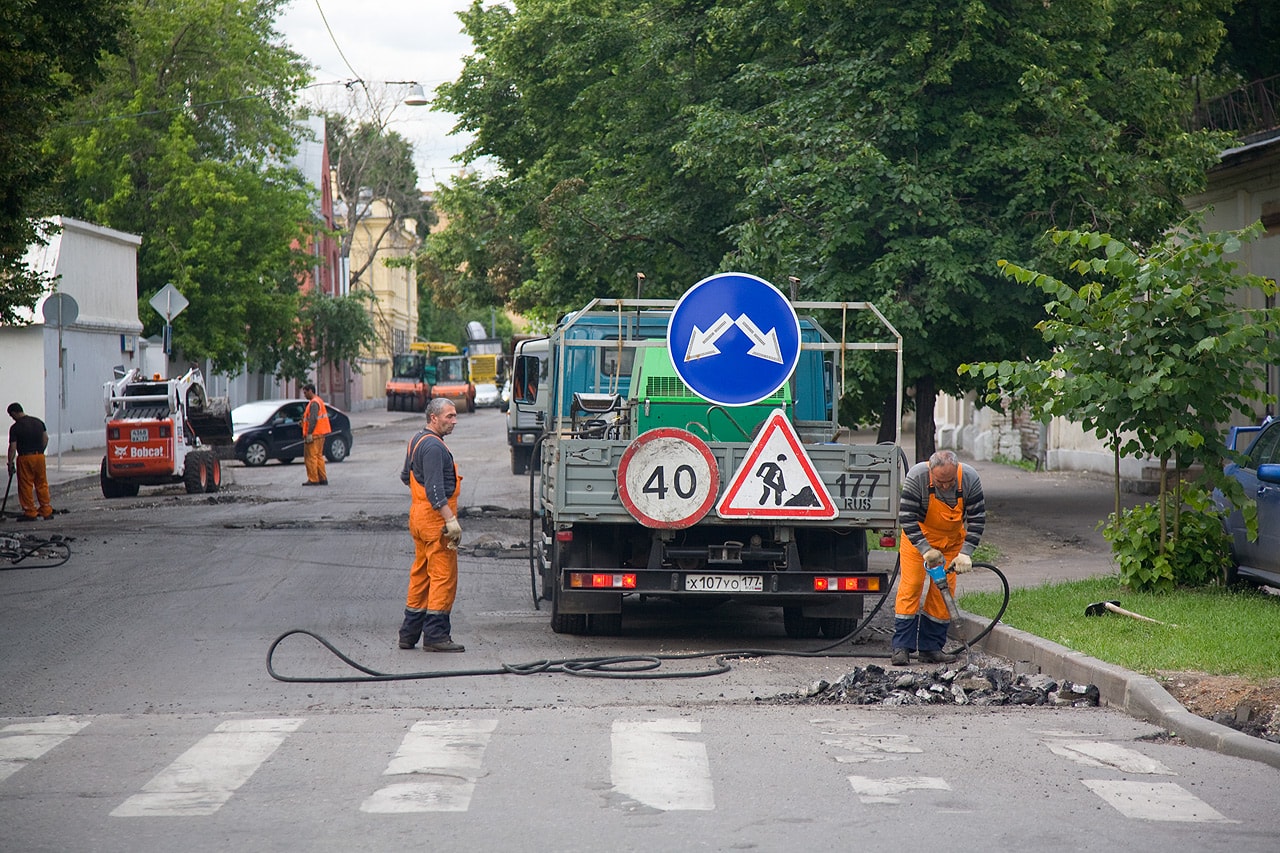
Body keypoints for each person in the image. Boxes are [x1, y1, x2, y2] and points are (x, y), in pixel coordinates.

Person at [892, 449, 986, 666]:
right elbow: (906, 517)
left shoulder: (969, 478)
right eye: (940, 482)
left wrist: (966, 553)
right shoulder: (917, 477)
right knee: (911, 587)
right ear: (931, 473)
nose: (945, 486)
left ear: (957, 471)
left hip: (951, 543)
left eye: (950, 481)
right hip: (918, 541)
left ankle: (931, 648)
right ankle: (901, 648)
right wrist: (926, 549)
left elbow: (977, 518)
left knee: (944, 591)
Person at [397, 397, 466, 652]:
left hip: (418, 517)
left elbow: (407, 477)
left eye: (455, 415)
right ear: (433, 418)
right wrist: (450, 520)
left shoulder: (416, 440)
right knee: (442, 577)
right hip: (435, 520)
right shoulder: (435, 448)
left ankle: (409, 633)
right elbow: (436, 492)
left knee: (421, 575)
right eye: (449, 416)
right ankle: (436, 635)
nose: (454, 421)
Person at [6, 402, 54, 522]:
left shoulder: (15, 428)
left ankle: (30, 512)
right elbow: (46, 438)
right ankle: (46, 509)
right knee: (42, 483)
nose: (12, 419)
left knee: (26, 485)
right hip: (39, 457)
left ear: (14, 413)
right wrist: (40, 451)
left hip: (25, 458)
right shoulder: (38, 422)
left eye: (12, 416)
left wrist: (10, 462)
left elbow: (13, 447)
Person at [300, 383, 330, 486]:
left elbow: (313, 419)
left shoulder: (313, 403)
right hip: (320, 433)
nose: (304, 395)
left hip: (314, 434)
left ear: (310, 391)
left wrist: (309, 433)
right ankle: (322, 478)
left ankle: (313, 479)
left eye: (305, 392)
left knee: (311, 457)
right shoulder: (318, 401)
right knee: (318, 457)